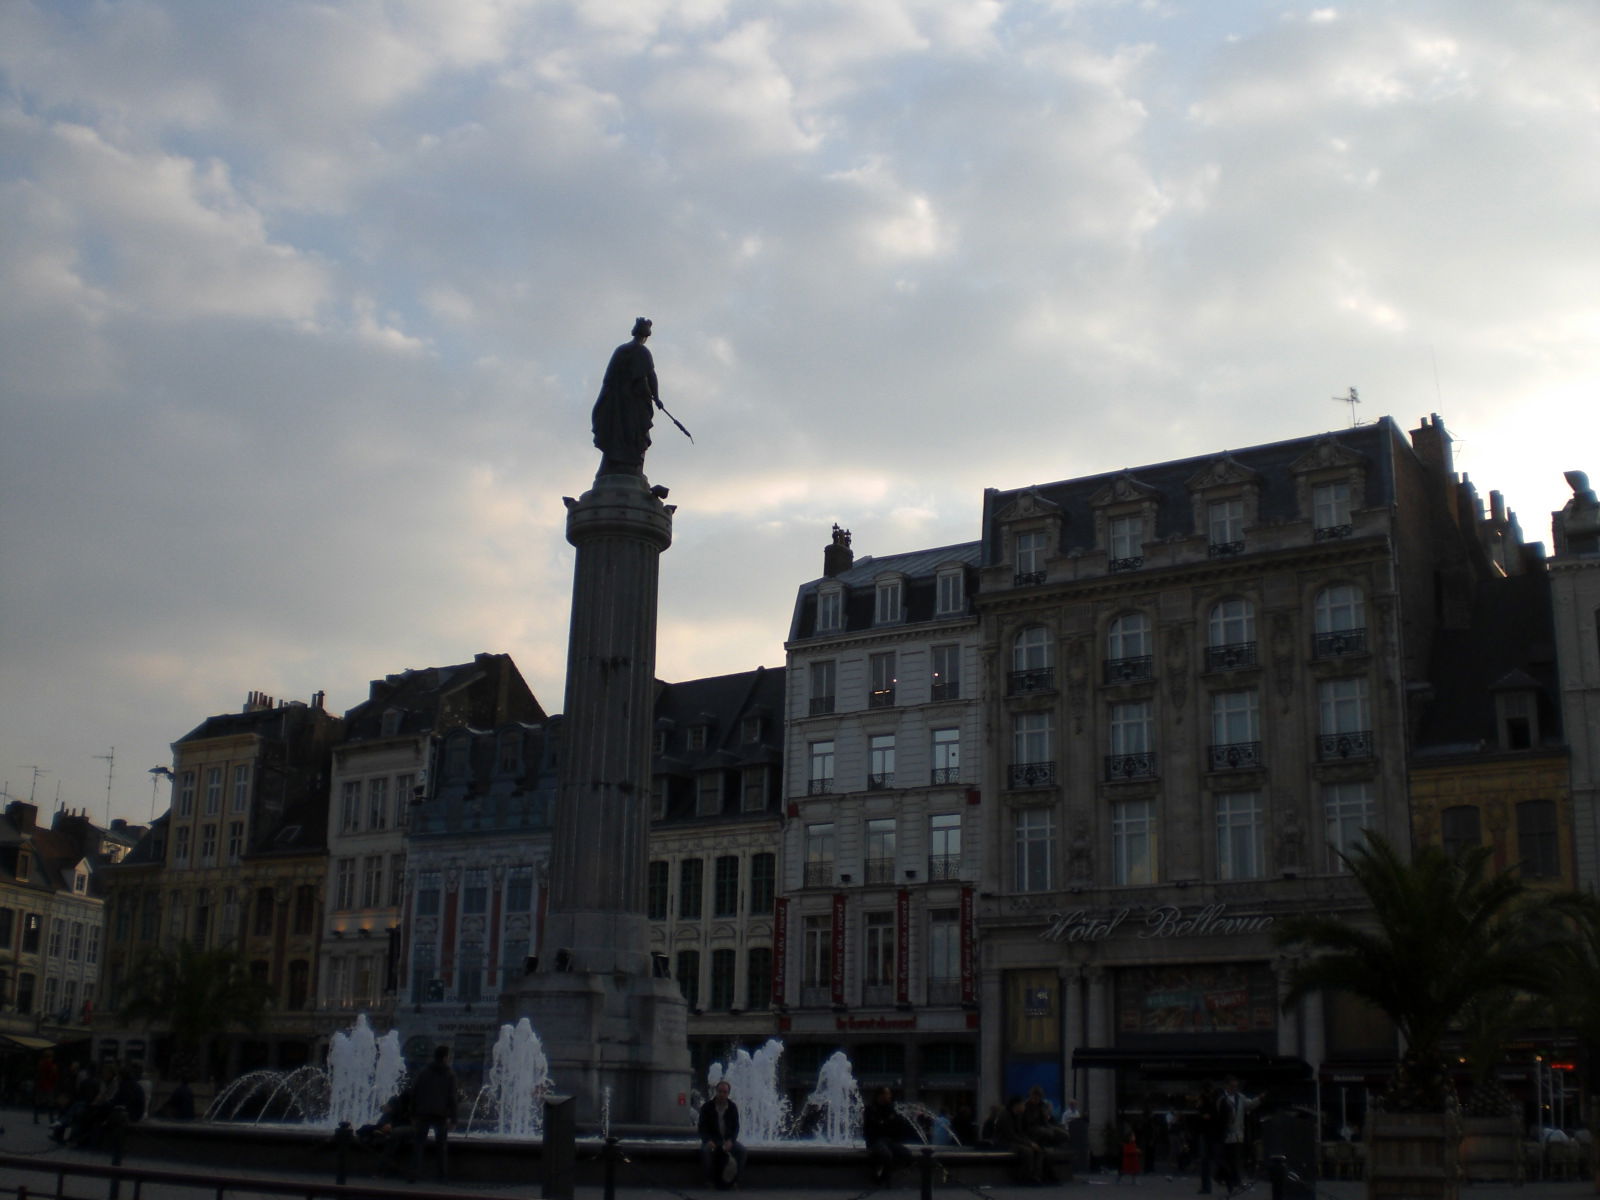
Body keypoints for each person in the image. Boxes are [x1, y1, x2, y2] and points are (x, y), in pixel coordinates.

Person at [591, 317, 662, 475]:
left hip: (616, 402)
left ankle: (614, 465)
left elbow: (608, 379)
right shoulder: (642, 351)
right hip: (633, 403)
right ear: (645, 336)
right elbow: (651, 375)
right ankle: (631, 466)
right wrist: (656, 397)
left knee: (617, 432)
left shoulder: (621, 350)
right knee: (633, 434)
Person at [409, 1045, 458, 1182]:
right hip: (440, 1114)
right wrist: (453, 1119)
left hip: (422, 1113)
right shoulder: (450, 1074)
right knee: (441, 1147)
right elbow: (452, 1098)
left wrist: (412, 1113)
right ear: (444, 1057)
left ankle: (414, 1174)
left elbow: (414, 1093)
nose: (449, 1059)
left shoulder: (423, 1072)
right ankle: (441, 1176)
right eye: (448, 1056)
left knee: (418, 1145)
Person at [698, 1079, 748, 1190]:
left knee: (742, 1151)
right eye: (720, 1091)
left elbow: (736, 1127)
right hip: (712, 1140)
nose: (722, 1094)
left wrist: (731, 1140)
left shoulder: (732, 1107)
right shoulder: (707, 1107)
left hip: (727, 1141)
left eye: (724, 1092)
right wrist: (707, 1140)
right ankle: (709, 1181)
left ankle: (735, 1181)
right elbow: (702, 1128)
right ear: (716, 1091)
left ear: (728, 1094)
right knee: (706, 1151)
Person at [1215, 1076, 1260, 1196]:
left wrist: (1260, 1098)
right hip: (1226, 1135)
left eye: (1236, 1086)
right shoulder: (1222, 1100)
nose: (1235, 1089)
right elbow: (1220, 1118)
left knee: (1234, 1159)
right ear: (1227, 1086)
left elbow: (1249, 1105)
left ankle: (1234, 1182)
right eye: (1232, 1086)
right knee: (1229, 1161)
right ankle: (1233, 1182)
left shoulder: (1240, 1097)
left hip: (1238, 1135)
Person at [863, 1085, 915, 1186]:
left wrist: (886, 1123)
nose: (889, 1096)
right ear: (880, 1095)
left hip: (889, 1140)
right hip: (875, 1140)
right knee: (886, 1155)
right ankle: (882, 1177)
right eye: (887, 1094)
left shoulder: (891, 1109)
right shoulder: (870, 1109)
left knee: (907, 1154)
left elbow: (896, 1125)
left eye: (889, 1094)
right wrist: (886, 1123)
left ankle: (885, 1173)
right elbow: (872, 1127)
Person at [994, 1094, 1048, 1184]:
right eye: (1023, 1105)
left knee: (1039, 1149)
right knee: (1028, 1151)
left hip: (1015, 1141)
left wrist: (1031, 1142)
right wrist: (1029, 1144)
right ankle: (1026, 1177)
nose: (1024, 1107)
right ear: (1016, 1105)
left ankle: (1037, 1176)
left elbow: (1021, 1133)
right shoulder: (1005, 1116)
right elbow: (1011, 1136)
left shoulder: (1018, 1116)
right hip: (1004, 1142)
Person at [34, 1050, 59, 1124]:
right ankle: (51, 1119)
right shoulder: (52, 1065)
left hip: (40, 1085)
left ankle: (36, 1118)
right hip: (48, 1086)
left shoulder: (40, 1064)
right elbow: (54, 1076)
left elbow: (38, 1075)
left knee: (38, 1102)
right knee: (50, 1103)